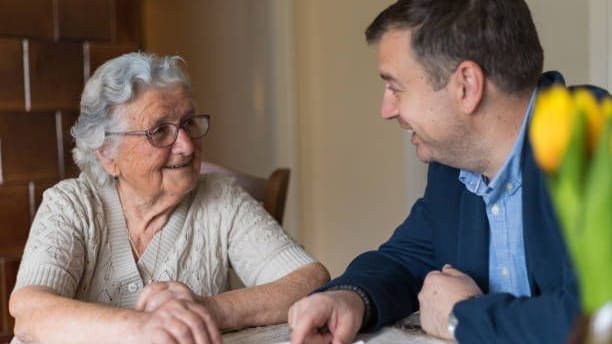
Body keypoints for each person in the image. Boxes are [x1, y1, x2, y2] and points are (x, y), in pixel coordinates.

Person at [288, 1, 609, 343]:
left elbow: (598, 320)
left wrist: (462, 317)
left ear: (466, 86)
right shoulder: (454, 167)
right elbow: (406, 258)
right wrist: (350, 298)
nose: (386, 109)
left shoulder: (593, 143)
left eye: (395, 87)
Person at [9, 52, 330, 344]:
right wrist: (142, 327)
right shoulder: (72, 206)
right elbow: (30, 312)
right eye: (159, 130)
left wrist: (206, 309)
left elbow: (309, 280)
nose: (188, 146)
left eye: (188, 123)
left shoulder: (220, 199)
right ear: (107, 153)